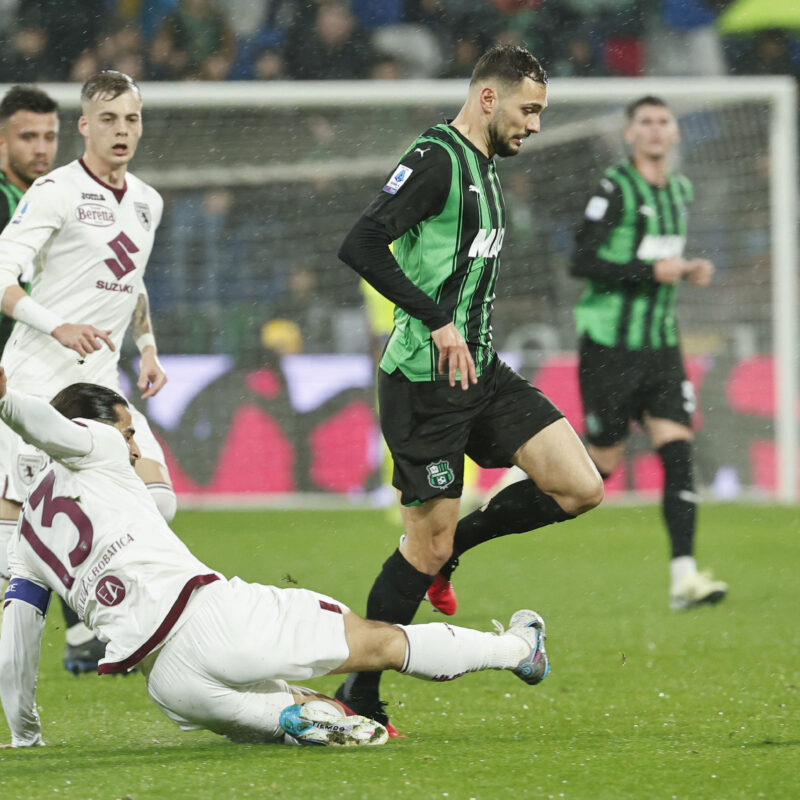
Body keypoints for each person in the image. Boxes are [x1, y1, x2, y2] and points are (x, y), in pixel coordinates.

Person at [0, 371, 550, 748]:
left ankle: (297, 719)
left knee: (286, 705)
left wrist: (25, 736)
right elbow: (46, 426)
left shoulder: (28, 537)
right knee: (380, 643)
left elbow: (14, 652)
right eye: (127, 435)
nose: (135, 447)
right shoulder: (95, 446)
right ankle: (519, 650)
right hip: (213, 620)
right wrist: (6, 399)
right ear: (88, 431)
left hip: (170, 686)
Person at [336, 44, 603, 732]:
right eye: (530, 108)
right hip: (425, 382)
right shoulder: (436, 160)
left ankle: (459, 549)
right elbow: (361, 243)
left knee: (580, 486)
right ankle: (358, 699)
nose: (536, 125)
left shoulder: (483, 167)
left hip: (481, 371)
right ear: (489, 97)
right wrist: (434, 321)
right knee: (419, 549)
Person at [0, 70, 177, 674]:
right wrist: (58, 326)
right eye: (108, 119)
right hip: (35, 381)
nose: (122, 131)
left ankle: (99, 616)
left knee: (157, 500)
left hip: (101, 387)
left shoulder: (148, 202)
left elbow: (132, 279)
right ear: (84, 126)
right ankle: (58, 657)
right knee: (16, 542)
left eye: (131, 119)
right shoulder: (54, 190)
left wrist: (147, 346)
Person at [569, 95, 727, 611]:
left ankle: (684, 576)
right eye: (646, 122)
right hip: (610, 347)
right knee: (597, 470)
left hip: (661, 346)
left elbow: (661, 259)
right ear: (630, 134)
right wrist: (649, 273)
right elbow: (581, 260)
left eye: (664, 121)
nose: (656, 131)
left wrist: (687, 269)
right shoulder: (614, 189)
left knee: (679, 453)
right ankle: (493, 512)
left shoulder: (679, 190)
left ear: (677, 132)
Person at [0, 86, 59, 357]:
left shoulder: (50, 199)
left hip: (28, 360)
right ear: (2, 142)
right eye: (28, 137)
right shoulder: (3, 201)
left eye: (49, 138)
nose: (41, 149)